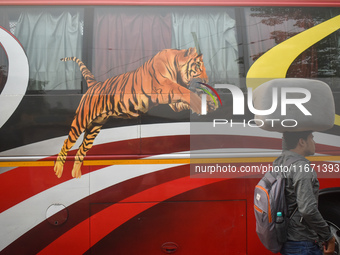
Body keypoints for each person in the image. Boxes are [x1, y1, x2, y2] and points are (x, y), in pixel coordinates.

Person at [273, 131, 335, 255]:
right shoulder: (302, 168)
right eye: (311, 138)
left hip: (289, 240)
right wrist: (328, 236)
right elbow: (308, 210)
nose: (315, 142)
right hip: (303, 243)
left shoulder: (281, 162)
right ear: (302, 142)